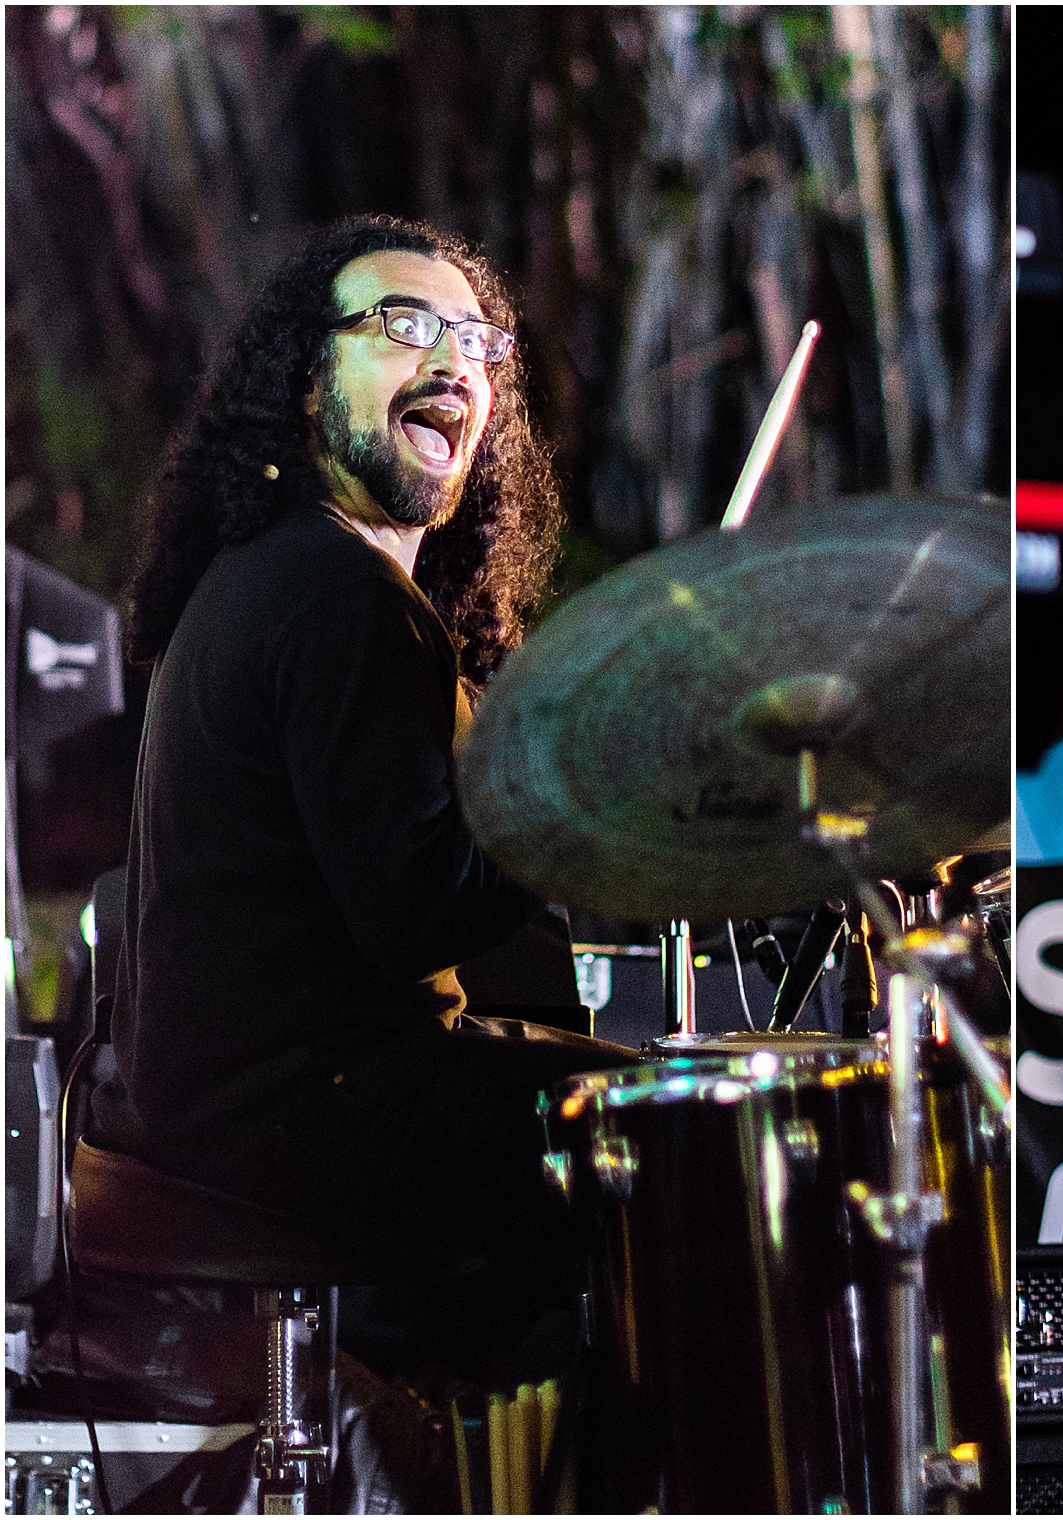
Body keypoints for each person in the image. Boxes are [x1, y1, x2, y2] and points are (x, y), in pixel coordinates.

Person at [88, 216, 615, 1381]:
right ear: (303, 377)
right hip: (304, 1117)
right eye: (403, 324)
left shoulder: (275, 577)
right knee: (672, 1144)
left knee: (619, 1093)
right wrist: (589, 799)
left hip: (250, 1104)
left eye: (479, 343)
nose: (452, 363)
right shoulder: (337, 591)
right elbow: (418, 909)